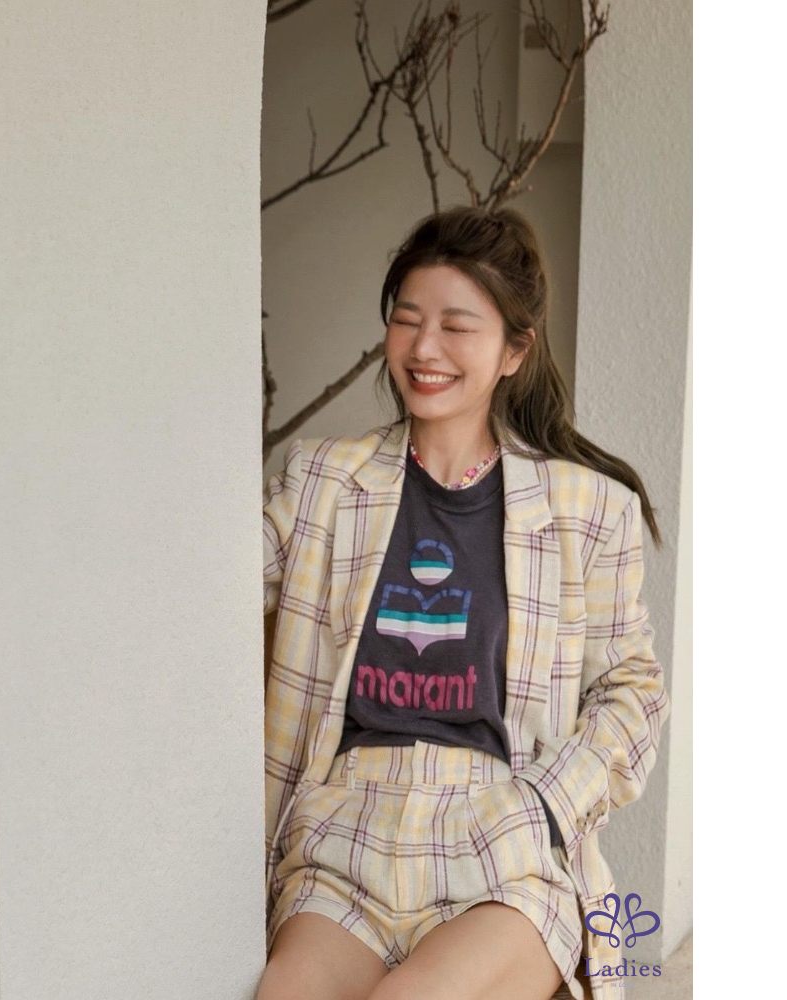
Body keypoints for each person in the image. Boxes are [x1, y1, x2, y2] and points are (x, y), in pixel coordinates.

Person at [256, 206, 670, 1000]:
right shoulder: (321, 483)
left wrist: (546, 805)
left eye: (456, 326)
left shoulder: (588, 508)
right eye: (407, 319)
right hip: (345, 831)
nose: (424, 348)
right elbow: (200, 585)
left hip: (501, 836)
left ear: (515, 350)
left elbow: (634, 693)